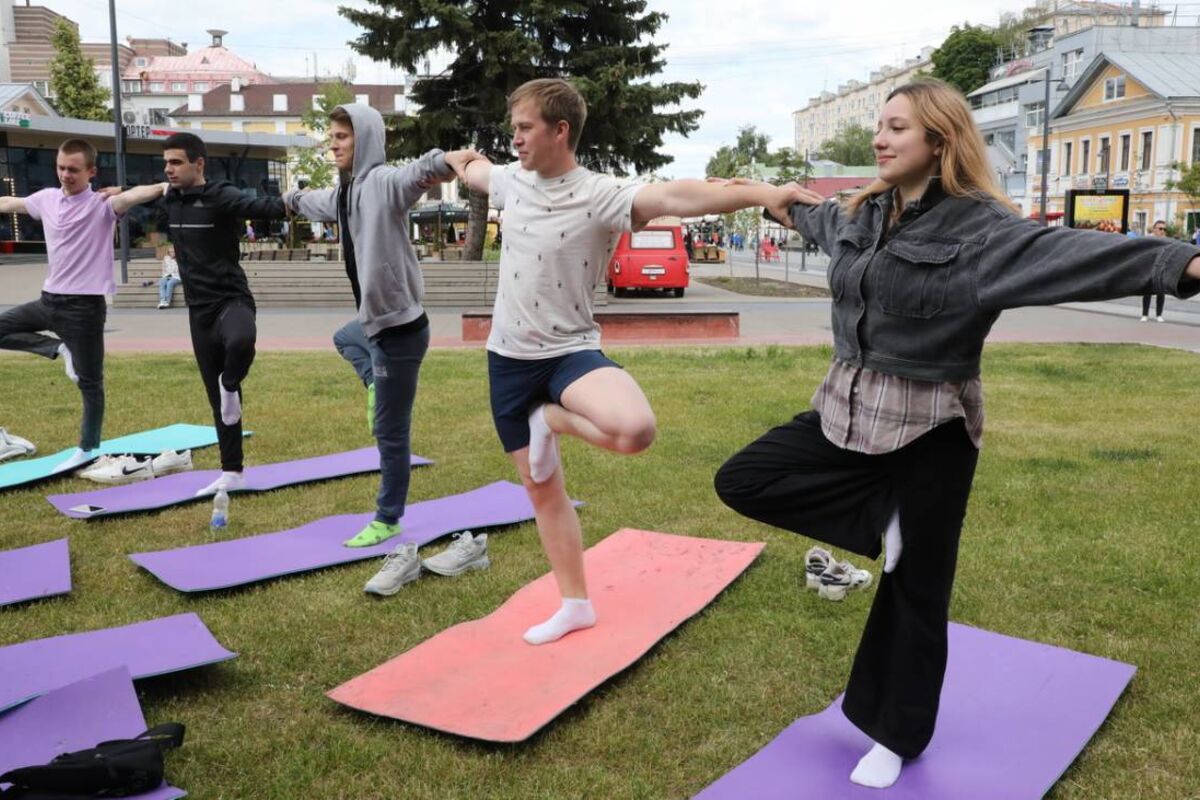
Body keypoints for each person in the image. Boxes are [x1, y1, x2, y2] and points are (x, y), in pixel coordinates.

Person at [711, 79, 1200, 790]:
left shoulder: (982, 230)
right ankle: (882, 524)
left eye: (897, 128)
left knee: (917, 594)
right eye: (879, 126)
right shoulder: (859, 214)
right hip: (846, 409)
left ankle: (894, 735)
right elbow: (809, 218)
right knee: (744, 478)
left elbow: (1073, 254)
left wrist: (1182, 263)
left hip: (930, 428)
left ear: (939, 141)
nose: (880, 138)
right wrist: (769, 195)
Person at [445, 78, 803, 646]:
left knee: (635, 429)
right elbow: (473, 169)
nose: (514, 139)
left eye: (524, 127)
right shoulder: (512, 181)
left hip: (569, 353)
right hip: (508, 361)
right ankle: (575, 604)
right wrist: (454, 159)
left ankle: (552, 420)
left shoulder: (600, 194)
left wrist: (761, 192)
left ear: (560, 130)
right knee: (543, 489)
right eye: (512, 129)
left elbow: (680, 196)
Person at [285, 103, 464, 550]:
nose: (333, 144)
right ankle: (372, 382)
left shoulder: (382, 183)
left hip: (399, 331)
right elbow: (313, 202)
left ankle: (387, 518)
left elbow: (416, 176)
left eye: (342, 137)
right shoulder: (346, 194)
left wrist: (448, 161)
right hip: (374, 325)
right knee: (345, 337)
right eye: (331, 136)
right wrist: (285, 199)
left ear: (363, 139)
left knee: (390, 433)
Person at [0, 138, 166, 472]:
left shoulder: (104, 205)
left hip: (84, 310)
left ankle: (88, 448)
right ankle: (58, 349)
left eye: (73, 170)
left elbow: (139, 195)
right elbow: (10, 202)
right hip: (48, 300)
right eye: (61, 168)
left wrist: (161, 184)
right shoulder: (45, 199)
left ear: (91, 172)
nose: (65, 175)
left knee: (91, 383)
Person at [159, 132, 291, 496]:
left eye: (176, 162)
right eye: (166, 162)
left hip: (230, 298)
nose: (169, 169)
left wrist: (300, 200)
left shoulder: (221, 195)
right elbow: (134, 197)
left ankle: (231, 382)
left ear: (198, 164)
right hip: (197, 312)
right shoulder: (170, 199)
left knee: (242, 340)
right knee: (216, 401)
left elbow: (264, 206)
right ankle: (232, 472)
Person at [1141, 219, 1168, 322]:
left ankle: (1159, 315)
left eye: (1164, 229)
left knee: (1160, 293)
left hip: (1161, 270)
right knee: (1147, 293)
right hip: (1149, 269)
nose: (1162, 231)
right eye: (1160, 228)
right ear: (1154, 229)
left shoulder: (1166, 241)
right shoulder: (1149, 241)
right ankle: (1144, 314)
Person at [157, 244, 180, 309]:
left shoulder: (180, 258)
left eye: (173, 251)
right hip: (167, 275)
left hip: (177, 277)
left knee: (170, 283)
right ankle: (162, 301)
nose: (172, 253)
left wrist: (174, 261)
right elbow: (164, 268)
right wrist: (165, 275)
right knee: (162, 282)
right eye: (171, 252)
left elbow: (179, 270)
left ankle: (167, 302)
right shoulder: (166, 258)